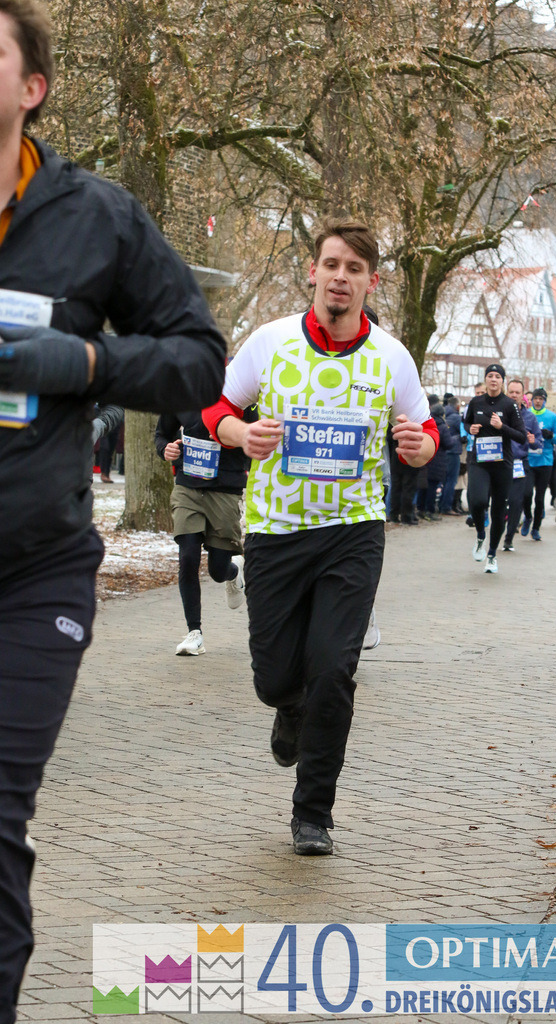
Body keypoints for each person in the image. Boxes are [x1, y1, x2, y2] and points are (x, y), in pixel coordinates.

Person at [0, 3, 226, 1019]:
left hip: (29, 567)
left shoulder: (97, 215)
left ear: (32, 88)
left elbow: (197, 356)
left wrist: (89, 362)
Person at [203, 217, 438, 855]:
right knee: (275, 678)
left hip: (352, 533)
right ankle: (288, 706)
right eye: (331, 265)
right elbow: (216, 408)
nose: (341, 278)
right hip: (277, 530)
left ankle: (314, 814)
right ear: (314, 271)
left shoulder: (391, 356)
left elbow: (423, 431)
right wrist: (239, 435)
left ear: (371, 281)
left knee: (334, 669)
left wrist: (419, 446)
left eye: (354, 269)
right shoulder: (270, 342)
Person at [155, 408, 254, 655]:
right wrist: (166, 449)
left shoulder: (241, 395)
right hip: (188, 486)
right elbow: (162, 435)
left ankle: (233, 571)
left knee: (217, 571)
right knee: (188, 557)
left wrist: (234, 444)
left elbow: (255, 437)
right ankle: (194, 632)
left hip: (225, 489)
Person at [463, 363, 525, 573]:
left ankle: (491, 554)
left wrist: (501, 427)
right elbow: (466, 423)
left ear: (502, 381)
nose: (493, 379)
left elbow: (521, 436)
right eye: (490, 375)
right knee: (478, 501)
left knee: (499, 510)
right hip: (479, 462)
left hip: (502, 465)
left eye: (497, 376)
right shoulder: (476, 401)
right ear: (486, 379)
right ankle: (481, 534)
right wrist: (469, 428)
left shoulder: (509, 405)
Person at [503, 378, 542, 551]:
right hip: (501, 463)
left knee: (518, 500)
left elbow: (538, 443)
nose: (513, 395)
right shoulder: (499, 413)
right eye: (511, 392)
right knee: (501, 501)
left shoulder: (530, 417)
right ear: (507, 392)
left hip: (520, 463)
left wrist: (533, 442)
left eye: (517, 392)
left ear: (523, 395)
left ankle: (509, 537)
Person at [522, 387, 556, 541]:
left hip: (545, 461)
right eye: (536, 398)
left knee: (540, 498)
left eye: (541, 398)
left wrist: (551, 435)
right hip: (529, 460)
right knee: (526, 494)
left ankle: (536, 528)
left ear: (545, 400)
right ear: (532, 400)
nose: (538, 401)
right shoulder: (526, 415)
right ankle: (527, 517)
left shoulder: (552, 417)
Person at [439, 396, 464, 515]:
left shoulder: (445, 416)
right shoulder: (456, 418)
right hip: (454, 451)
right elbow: (464, 435)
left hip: (445, 451)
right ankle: (446, 506)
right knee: (451, 480)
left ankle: (441, 505)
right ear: (457, 406)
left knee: (445, 480)